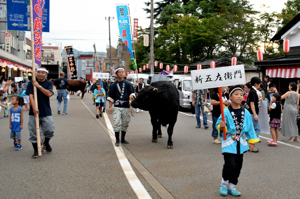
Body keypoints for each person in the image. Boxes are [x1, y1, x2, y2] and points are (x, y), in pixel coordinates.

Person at [217, 86, 259, 197]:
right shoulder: (225, 111)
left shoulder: (245, 112)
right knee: (230, 164)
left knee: (238, 165)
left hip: (240, 142)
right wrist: (221, 126)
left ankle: (232, 185)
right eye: (236, 94)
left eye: (241, 94)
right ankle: (224, 184)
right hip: (229, 141)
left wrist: (251, 141)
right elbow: (218, 125)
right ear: (230, 96)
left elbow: (250, 128)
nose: (239, 96)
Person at [26, 67, 55, 158]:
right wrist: (34, 108)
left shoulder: (48, 83)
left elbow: (49, 94)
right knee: (33, 131)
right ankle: (36, 150)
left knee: (50, 129)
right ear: (36, 73)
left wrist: (38, 86)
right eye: (39, 72)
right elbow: (30, 96)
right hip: (33, 111)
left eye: (43, 73)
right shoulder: (31, 83)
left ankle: (46, 142)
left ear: (46, 74)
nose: (40, 74)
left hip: (46, 110)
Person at [108, 67, 135, 146]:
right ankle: (117, 140)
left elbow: (133, 93)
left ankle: (123, 139)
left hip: (126, 106)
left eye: (122, 72)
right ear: (116, 74)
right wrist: (110, 107)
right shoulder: (113, 85)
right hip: (117, 106)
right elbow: (111, 97)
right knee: (117, 122)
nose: (121, 73)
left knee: (125, 123)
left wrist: (132, 96)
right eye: (119, 72)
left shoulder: (128, 84)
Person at [246, 77, 262, 152]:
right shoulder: (253, 91)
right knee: (256, 129)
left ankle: (251, 145)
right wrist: (255, 114)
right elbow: (252, 103)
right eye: (259, 83)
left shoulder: (252, 91)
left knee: (253, 129)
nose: (260, 85)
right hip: (252, 113)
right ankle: (251, 144)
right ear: (256, 84)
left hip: (252, 113)